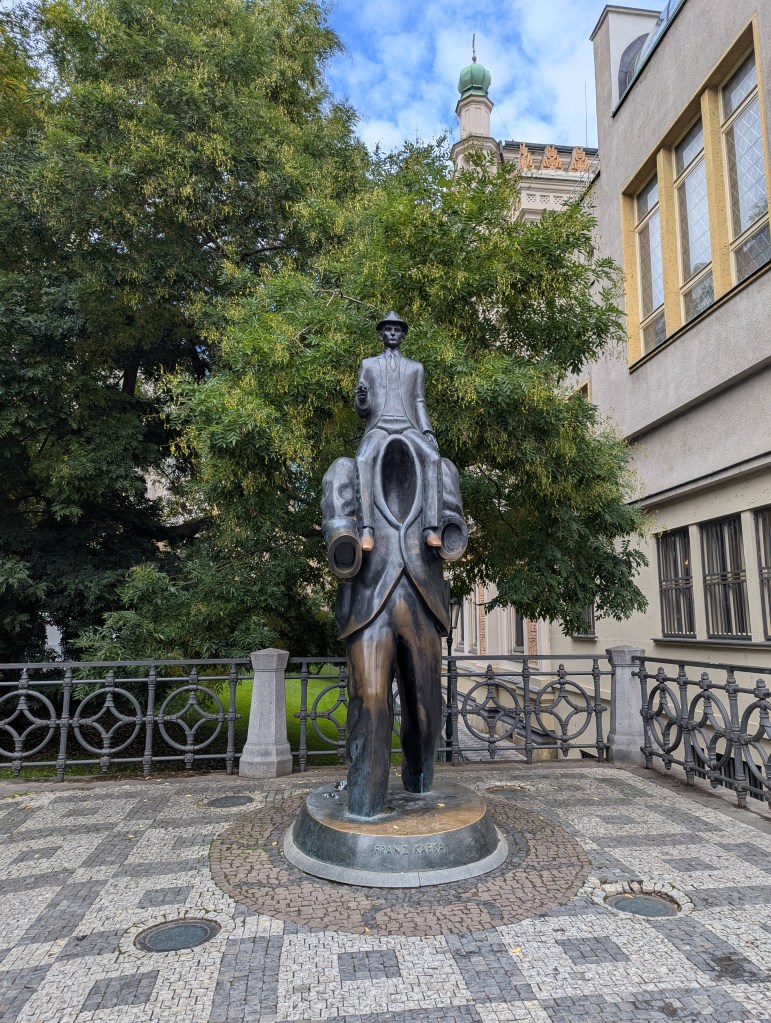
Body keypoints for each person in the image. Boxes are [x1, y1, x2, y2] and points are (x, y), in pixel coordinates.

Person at [354, 312, 442, 551]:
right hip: (379, 426)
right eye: (388, 329)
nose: (392, 333)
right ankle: (366, 530)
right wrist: (363, 400)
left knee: (433, 458)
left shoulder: (415, 368)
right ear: (381, 334)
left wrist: (427, 432)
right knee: (362, 460)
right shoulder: (368, 365)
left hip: (408, 427)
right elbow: (362, 409)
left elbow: (419, 402)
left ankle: (431, 528)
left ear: (402, 335)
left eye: (397, 330)